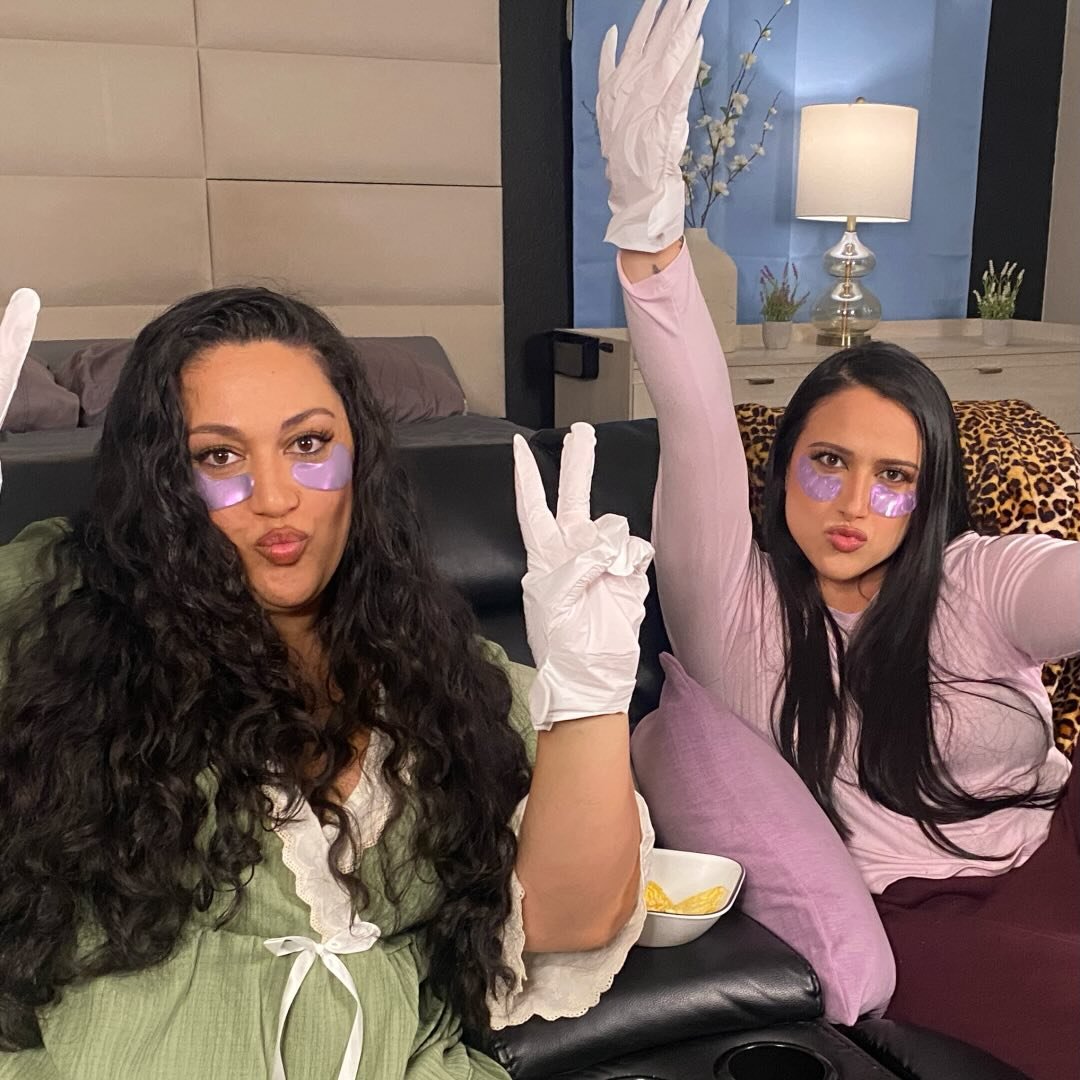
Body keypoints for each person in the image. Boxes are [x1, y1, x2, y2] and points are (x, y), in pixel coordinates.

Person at [594, 3, 1080, 1079]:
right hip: (933, 919)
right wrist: (649, 234)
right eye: (828, 461)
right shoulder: (736, 608)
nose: (855, 501)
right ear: (782, 472)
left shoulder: (975, 579)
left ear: (929, 494)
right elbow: (694, 411)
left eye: (895, 477)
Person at [0, 284, 655, 1079]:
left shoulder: (449, 677)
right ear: (162, 482)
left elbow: (570, 923)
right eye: (218, 457)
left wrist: (589, 694)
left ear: (359, 456)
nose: (276, 498)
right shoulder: (58, 625)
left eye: (308, 444)